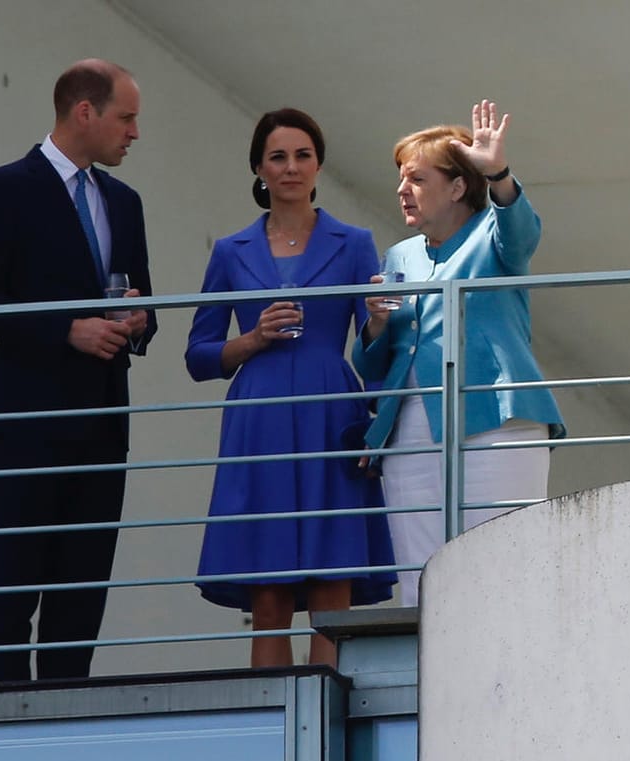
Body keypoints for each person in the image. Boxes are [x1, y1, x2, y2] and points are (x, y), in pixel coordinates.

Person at [0, 59, 157, 682]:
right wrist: (66, 328)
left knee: (83, 590)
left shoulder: (125, 201)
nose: (135, 133)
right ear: (84, 112)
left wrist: (139, 321)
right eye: (127, 117)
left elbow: (143, 299)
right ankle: (4, 726)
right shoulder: (4, 187)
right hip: (26, 420)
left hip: (102, 422)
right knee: (14, 584)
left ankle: (69, 721)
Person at [186, 108, 395, 668]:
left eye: (302, 155)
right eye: (278, 156)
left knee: (334, 587)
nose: (291, 167)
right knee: (269, 590)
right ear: (258, 167)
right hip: (262, 415)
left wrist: (378, 416)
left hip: (332, 411)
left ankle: (329, 726)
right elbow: (199, 355)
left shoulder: (354, 243)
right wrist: (253, 338)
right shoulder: (231, 251)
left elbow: (374, 347)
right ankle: (276, 729)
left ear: (319, 165)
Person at [352, 100, 565, 607]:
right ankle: (428, 681)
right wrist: (377, 323)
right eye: (401, 179)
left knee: (503, 563)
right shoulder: (400, 256)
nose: (403, 190)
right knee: (420, 576)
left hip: (496, 415)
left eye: (417, 179)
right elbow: (375, 364)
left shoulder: (493, 237)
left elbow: (522, 232)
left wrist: (500, 175)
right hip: (410, 427)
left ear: (457, 186)